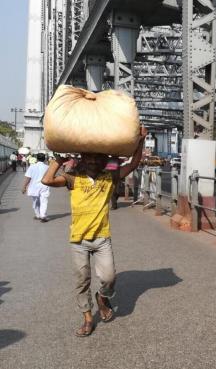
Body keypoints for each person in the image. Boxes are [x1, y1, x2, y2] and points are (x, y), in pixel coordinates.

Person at [41, 127, 147, 337]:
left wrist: (141, 140)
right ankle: (88, 318)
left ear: (103, 160)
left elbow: (134, 164)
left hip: (101, 238)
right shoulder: (73, 178)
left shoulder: (110, 177)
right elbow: (47, 181)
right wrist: (58, 162)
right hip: (77, 240)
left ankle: (103, 296)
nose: (92, 162)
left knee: (109, 277)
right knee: (82, 281)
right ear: (82, 159)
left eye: (96, 158)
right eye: (88, 158)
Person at [21, 153, 51, 222]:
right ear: (45, 159)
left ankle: (38, 215)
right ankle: (43, 215)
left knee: (35, 202)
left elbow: (28, 178)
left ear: (37, 159)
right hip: (44, 186)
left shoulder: (32, 167)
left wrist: (24, 187)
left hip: (34, 187)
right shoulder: (47, 167)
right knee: (44, 201)